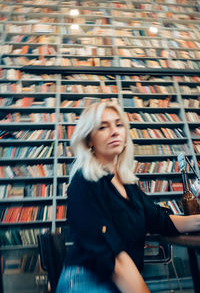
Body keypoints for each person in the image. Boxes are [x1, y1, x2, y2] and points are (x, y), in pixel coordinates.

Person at [56, 101, 200, 293]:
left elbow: (159, 220)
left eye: (119, 124)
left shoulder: (127, 184)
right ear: (89, 140)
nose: (114, 132)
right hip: (87, 279)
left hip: (120, 277)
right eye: (103, 127)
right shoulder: (84, 182)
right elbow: (112, 256)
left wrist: (197, 221)